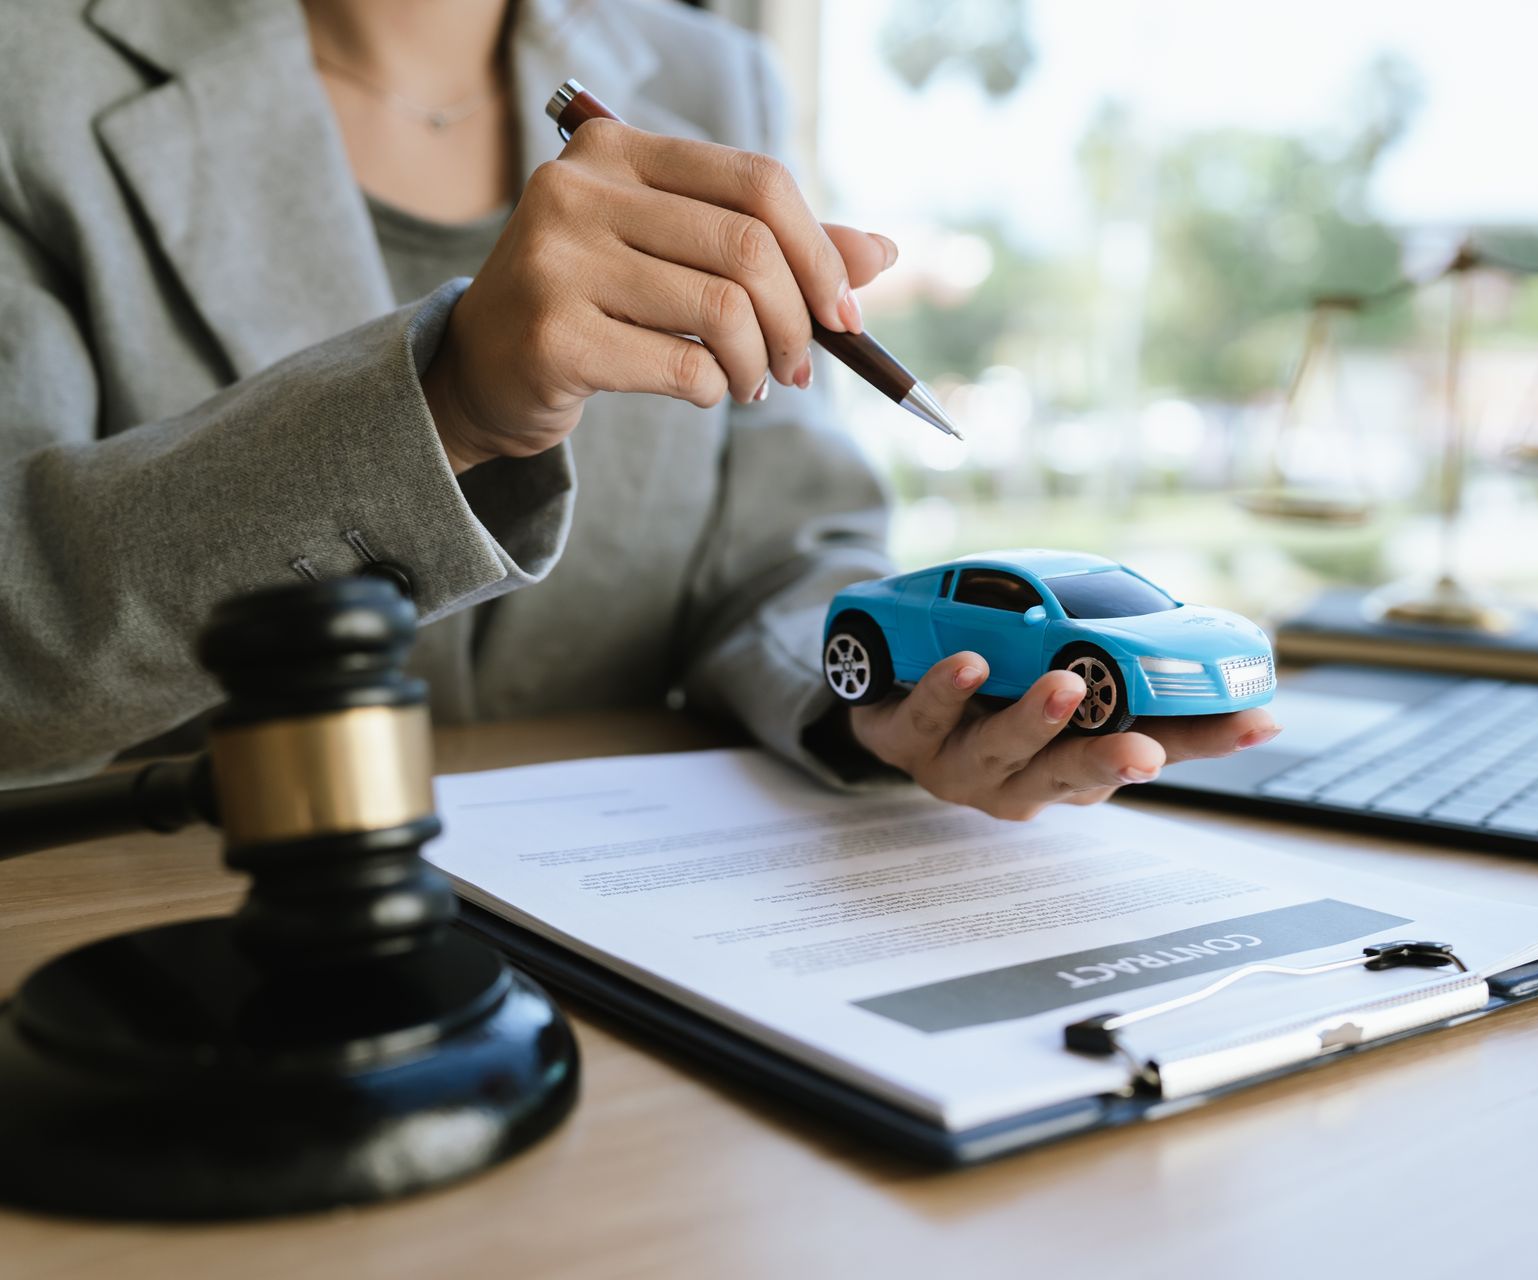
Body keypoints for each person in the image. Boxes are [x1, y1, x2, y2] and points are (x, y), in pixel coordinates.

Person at [0, 0, 1277, 815]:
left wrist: (880, 708)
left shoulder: (711, 75)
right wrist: (447, 399)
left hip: (648, 957)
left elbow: (778, 553)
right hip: (179, 951)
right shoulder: (31, 70)